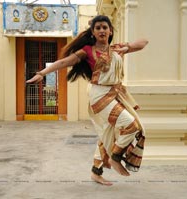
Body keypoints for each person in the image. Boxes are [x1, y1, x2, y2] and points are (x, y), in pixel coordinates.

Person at [26, 15, 148, 186]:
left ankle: (96, 172)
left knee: (107, 132)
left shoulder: (116, 49)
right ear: (93, 32)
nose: (102, 30)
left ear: (110, 31)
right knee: (131, 125)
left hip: (115, 93)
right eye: (98, 28)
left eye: (105, 27)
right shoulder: (87, 51)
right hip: (99, 95)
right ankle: (115, 157)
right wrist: (42, 73)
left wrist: (126, 47)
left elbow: (144, 42)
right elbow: (63, 62)